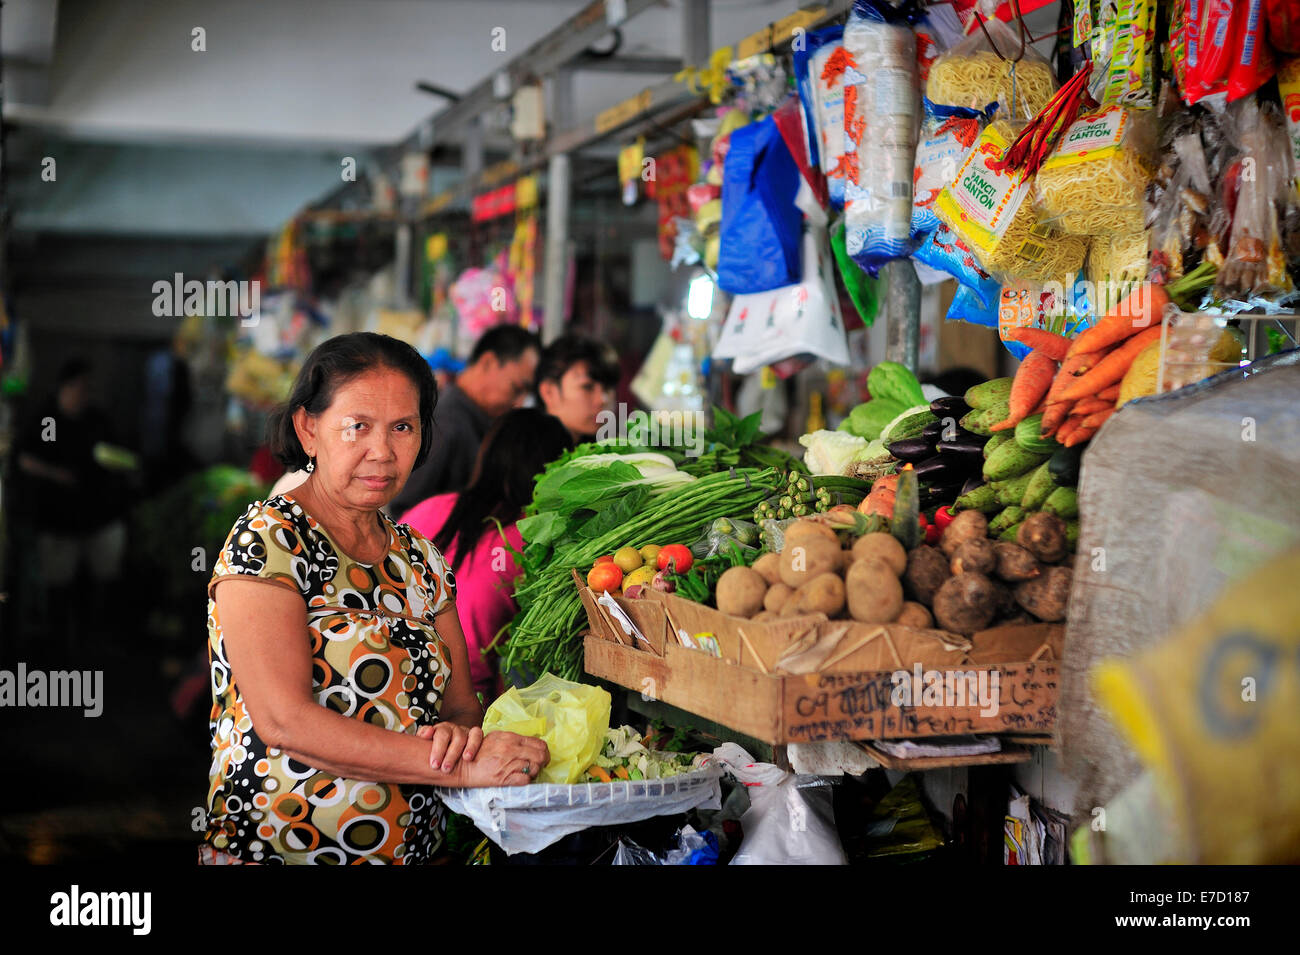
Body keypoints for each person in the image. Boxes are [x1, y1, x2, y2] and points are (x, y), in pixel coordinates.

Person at [201, 332, 548, 865]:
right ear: (308, 427)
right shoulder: (271, 539)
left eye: (403, 428)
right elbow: (284, 721)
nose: (383, 452)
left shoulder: (420, 558)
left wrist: (465, 739)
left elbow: (460, 706)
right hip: (281, 851)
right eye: (358, 426)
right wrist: (456, 766)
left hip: (413, 852)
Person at [399, 408, 572, 703]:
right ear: (556, 474)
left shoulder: (427, 511)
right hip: (466, 704)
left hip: (393, 680)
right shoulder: (534, 538)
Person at [14, 358, 131, 640]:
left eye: (87, 388)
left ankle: (91, 638)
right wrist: (56, 475)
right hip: (57, 520)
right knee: (58, 586)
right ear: (63, 387)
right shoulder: (47, 420)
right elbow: (25, 459)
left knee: (95, 583)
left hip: (96, 518)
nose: (84, 394)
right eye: (79, 387)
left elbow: (117, 454)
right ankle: (57, 643)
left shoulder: (96, 419)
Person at [387, 324, 539, 517]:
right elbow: (404, 507)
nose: (519, 402)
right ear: (488, 362)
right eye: (517, 388)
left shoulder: (477, 418)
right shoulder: (446, 424)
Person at [535, 334, 620, 443]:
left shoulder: (607, 451)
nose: (602, 400)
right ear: (549, 392)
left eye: (608, 388)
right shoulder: (523, 454)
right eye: (587, 387)